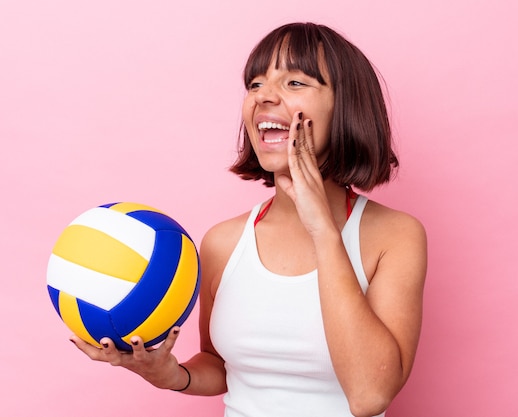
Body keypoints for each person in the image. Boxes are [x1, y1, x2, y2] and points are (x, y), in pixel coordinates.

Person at [71, 22, 427, 417]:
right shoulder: (223, 242)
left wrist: (323, 230)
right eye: (255, 84)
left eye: (294, 83)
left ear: (345, 106)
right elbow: (220, 367)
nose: (263, 97)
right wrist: (172, 374)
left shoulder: (395, 236)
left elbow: (370, 396)